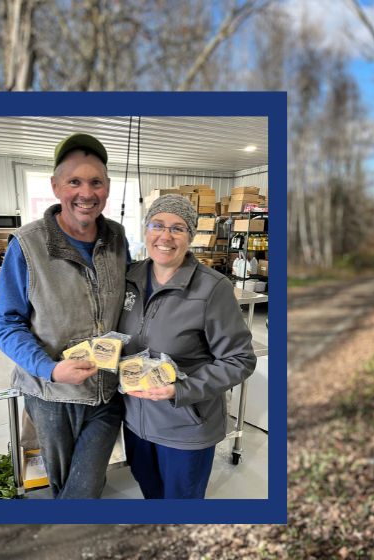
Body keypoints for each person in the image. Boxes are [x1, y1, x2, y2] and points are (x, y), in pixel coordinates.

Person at [0, 132, 129, 499]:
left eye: (96, 181)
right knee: (66, 484)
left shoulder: (117, 237)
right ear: (55, 187)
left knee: (84, 486)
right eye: (74, 182)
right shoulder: (27, 244)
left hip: (108, 390)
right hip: (53, 394)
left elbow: (132, 297)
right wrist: (49, 368)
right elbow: (3, 321)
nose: (86, 192)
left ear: (108, 187)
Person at [118, 194, 256, 499]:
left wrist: (181, 390)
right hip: (138, 423)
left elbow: (240, 359)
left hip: (185, 425)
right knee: (150, 492)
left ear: (191, 236)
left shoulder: (212, 288)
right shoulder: (129, 279)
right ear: (146, 230)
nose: (165, 236)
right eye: (157, 225)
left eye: (178, 228)